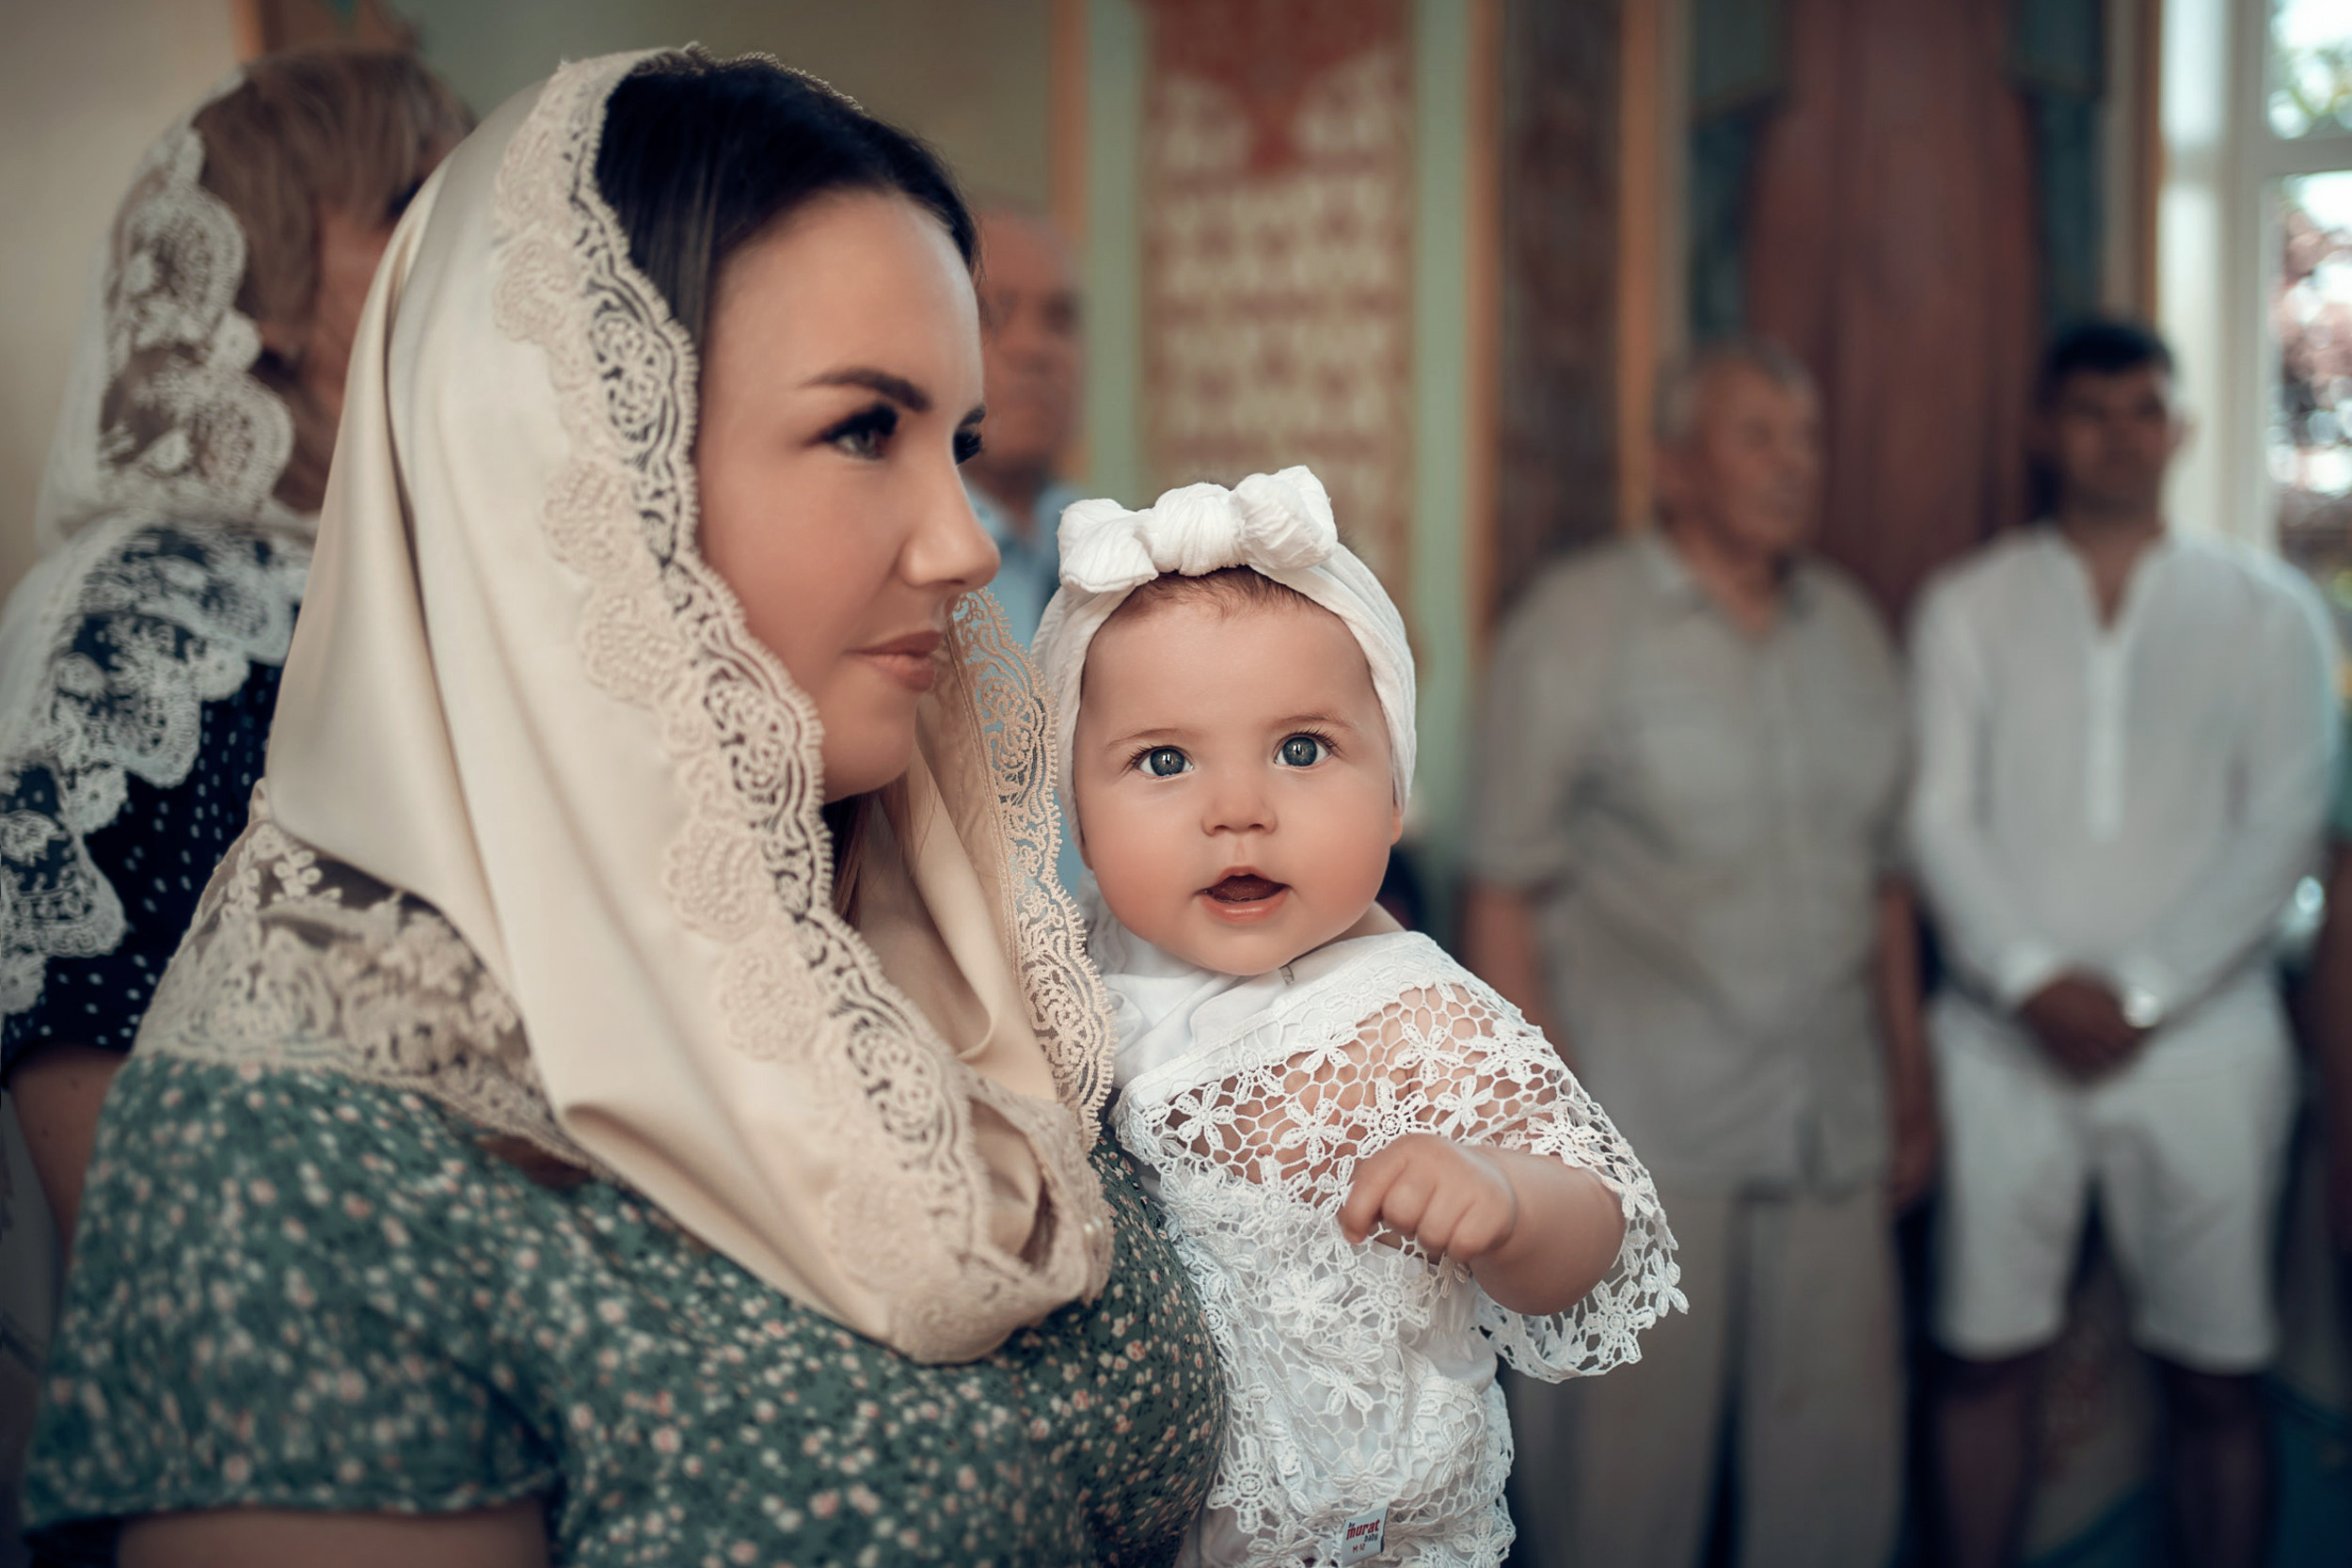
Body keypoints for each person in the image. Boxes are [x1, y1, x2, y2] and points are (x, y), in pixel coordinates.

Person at [23, 49, 1225, 1564]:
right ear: (575, 478)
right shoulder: (309, 1150)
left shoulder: (946, 942)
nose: (963, 539)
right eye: (867, 427)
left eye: (960, 443)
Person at [1030, 467, 1677, 1566]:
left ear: (1393, 788)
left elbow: (1600, 1224)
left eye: (1301, 748)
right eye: (1164, 760)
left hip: (1368, 1539)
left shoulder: (1412, 1010)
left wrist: (1507, 1198)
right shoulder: (1057, 974)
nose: (1239, 809)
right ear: (1078, 816)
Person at [1465, 340, 1927, 1567]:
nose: (1793, 464)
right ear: (1674, 467)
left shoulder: (1854, 634)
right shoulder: (1579, 623)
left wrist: (1912, 1084)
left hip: (1835, 1125)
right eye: (1758, 435)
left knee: (1833, 1486)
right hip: (1646, 1144)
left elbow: (1886, 883)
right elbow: (1501, 883)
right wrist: (1548, 1133)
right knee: (1625, 1494)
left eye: (1807, 438)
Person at [0, 47, 470, 1243]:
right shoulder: (145, 620)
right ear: (262, 289)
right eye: (419, 204)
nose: (479, 241)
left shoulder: (376, 575)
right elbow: (76, 1042)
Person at [1911, 319, 2336, 1568]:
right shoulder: (1970, 602)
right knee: (1984, 1355)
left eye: (2143, 408)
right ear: (2046, 431)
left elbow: (2284, 826)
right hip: (2002, 1039)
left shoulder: (2269, 610)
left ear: (2181, 429)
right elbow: (1936, 812)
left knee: (2215, 1374)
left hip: (2204, 1045)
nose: (2118, 432)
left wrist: (2143, 989)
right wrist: (2035, 975)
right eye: (2091, 409)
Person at [962, 203, 1083, 646]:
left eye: (1059, 318)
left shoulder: (1114, 541)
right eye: (992, 314)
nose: (1033, 348)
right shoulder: (899, 563)